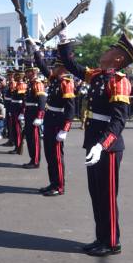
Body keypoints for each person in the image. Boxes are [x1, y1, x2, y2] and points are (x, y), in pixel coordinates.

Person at [58, 22, 133, 257]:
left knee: (107, 196)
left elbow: (118, 121)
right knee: (96, 194)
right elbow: (72, 65)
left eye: (112, 48)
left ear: (119, 59)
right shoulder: (99, 76)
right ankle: (101, 237)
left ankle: (112, 242)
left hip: (108, 147)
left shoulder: (119, 81)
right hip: (94, 145)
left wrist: (102, 145)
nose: (106, 50)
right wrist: (64, 40)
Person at [28, 36, 76, 196]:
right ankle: (52, 182)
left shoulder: (66, 83)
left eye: (56, 66)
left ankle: (59, 186)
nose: (53, 68)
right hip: (50, 120)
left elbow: (70, 108)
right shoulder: (55, 80)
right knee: (49, 155)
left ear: (63, 69)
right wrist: (36, 50)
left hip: (58, 123)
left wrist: (65, 129)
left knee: (56, 156)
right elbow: (42, 66)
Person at [20, 63, 46, 169]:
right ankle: (32, 159)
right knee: (30, 138)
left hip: (34, 112)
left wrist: (40, 116)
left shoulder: (37, 83)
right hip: (29, 112)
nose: (26, 73)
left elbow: (42, 100)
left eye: (28, 71)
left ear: (34, 72)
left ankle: (35, 161)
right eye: (26, 71)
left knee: (35, 139)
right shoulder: (30, 83)